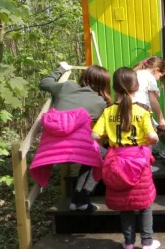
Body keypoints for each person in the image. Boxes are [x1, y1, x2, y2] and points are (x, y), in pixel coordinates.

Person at [92, 67, 161, 249]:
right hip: (139, 162)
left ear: (114, 87)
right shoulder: (142, 111)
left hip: (116, 162)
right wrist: (144, 142)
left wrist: (107, 144)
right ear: (136, 87)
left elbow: (94, 134)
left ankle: (129, 243)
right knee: (145, 204)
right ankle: (147, 242)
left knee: (125, 204)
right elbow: (153, 137)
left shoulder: (108, 112)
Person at [37, 62, 111, 211]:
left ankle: (76, 202)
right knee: (106, 155)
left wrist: (62, 69)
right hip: (72, 149)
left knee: (92, 155)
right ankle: (82, 199)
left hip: (47, 149)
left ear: (84, 77)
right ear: (103, 83)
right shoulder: (100, 102)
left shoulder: (66, 86)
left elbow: (44, 83)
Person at [132, 56, 165, 131]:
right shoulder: (149, 77)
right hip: (141, 112)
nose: (158, 79)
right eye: (160, 76)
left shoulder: (135, 73)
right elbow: (152, 100)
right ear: (157, 70)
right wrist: (161, 119)